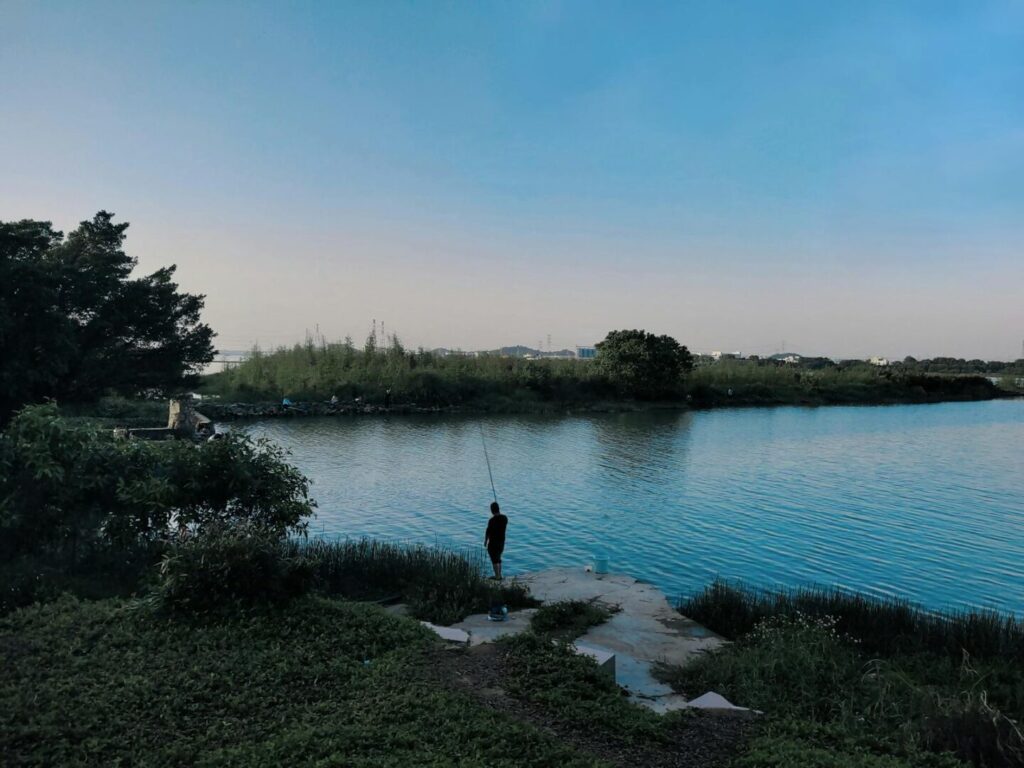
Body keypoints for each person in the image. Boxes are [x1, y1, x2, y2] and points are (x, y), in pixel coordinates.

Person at [484, 501, 508, 580]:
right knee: (498, 558)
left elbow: (488, 532)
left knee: (494, 559)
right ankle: (499, 575)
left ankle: (497, 576)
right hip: (501, 542)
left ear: (491, 510)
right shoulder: (504, 518)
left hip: (493, 543)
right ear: (498, 509)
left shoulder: (491, 521)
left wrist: (485, 541)